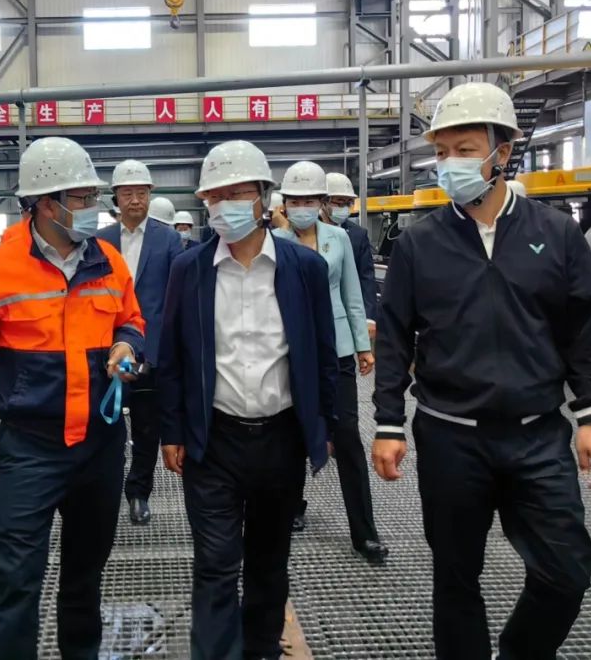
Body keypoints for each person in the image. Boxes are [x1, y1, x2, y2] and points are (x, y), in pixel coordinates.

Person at [372, 82, 591, 660]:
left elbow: (586, 326)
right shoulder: (419, 243)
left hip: (537, 435)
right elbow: (395, 337)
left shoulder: (554, 233)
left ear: (502, 152)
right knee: (456, 577)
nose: (449, 164)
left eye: (464, 150)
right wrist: (387, 422)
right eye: (442, 152)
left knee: (566, 572)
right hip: (450, 437)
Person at [0, 137, 145, 660]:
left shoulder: (109, 262)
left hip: (100, 447)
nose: (94, 207)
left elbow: (133, 321)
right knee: (19, 579)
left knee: (85, 577)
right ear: (47, 204)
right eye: (82, 197)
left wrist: (127, 345)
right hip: (30, 451)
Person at [160, 140, 340, 660]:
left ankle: (261, 649)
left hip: (280, 438)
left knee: (268, 561)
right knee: (216, 563)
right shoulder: (189, 269)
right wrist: (172, 430)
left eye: (237, 193)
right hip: (213, 439)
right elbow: (171, 357)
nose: (225, 206)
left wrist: (325, 425)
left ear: (263, 197)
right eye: (215, 196)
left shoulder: (303, 268)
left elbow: (323, 353)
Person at [271, 162, 386, 563]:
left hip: (336, 350)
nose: (302, 207)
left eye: (309, 201)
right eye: (295, 201)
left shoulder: (339, 238)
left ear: (321, 202)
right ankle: (291, 507)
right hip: (290, 349)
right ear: (285, 204)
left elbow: (352, 295)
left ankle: (365, 533)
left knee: (348, 437)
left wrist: (363, 346)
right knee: (292, 435)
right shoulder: (273, 242)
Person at [97, 160, 183, 524]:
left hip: (153, 349)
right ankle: (102, 491)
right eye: (128, 193)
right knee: (105, 424)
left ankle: (138, 493)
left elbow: (176, 296)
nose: (135, 200)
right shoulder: (100, 241)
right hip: (108, 347)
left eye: (142, 193)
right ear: (116, 197)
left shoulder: (168, 239)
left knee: (147, 428)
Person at [323, 173, 378, 339]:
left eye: (348, 203)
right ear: (324, 202)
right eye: (339, 202)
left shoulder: (358, 235)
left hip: (348, 314)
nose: (344, 208)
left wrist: (369, 318)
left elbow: (366, 278)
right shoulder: (310, 231)